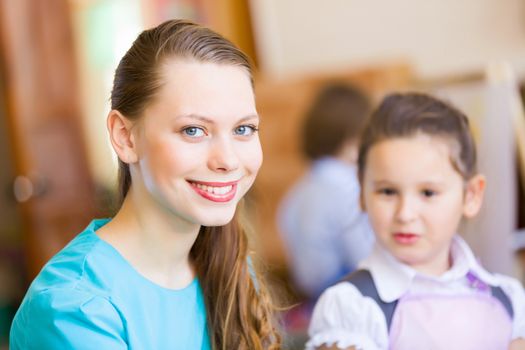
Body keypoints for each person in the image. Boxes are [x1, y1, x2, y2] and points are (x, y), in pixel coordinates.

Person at [10, 19, 280, 350]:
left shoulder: (231, 266)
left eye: (243, 129)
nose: (228, 160)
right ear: (125, 137)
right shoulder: (73, 308)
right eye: (193, 130)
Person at [306, 92, 525, 350]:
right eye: (387, 192)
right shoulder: (351, 307)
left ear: (471, 195)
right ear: (361, 192)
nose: (405, 213)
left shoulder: (509, 298)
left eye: (428, 193)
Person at [278, 83, 375, 300]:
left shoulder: (297, 192)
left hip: (311, 298)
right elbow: (365, 256)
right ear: (353, 140)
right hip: (352, 295)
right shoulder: (349, 188)